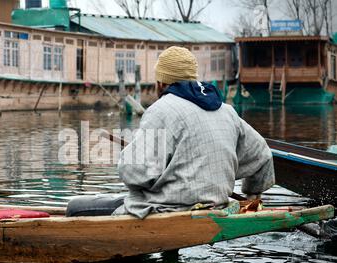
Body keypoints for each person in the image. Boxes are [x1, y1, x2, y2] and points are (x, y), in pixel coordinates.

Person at [66, 46, 275, 219]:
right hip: (218, 205)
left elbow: (135, 175)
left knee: (75, 207)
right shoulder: (226, 110)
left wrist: (128, 160)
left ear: (161, 82)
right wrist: (251, 196)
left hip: (171, 210)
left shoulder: (160, 110)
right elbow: (263, 156)